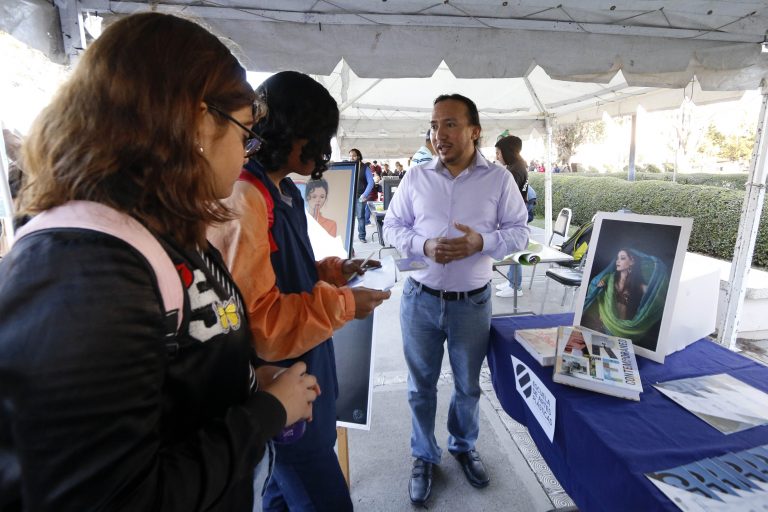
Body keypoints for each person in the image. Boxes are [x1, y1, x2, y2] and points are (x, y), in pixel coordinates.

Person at [0, 13, 319, 511]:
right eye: (244, 133)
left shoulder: (160, 229)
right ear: (195, 120)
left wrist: (251, 384)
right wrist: (265, 414)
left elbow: (182, 375)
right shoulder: (89, 271)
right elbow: (109, 497)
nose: (247, 151)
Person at [208, 71, 391, 512]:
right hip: (279, 380)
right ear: (291, 132)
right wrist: (346, 303)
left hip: (307, 365)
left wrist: (334, 270)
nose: (324, 150)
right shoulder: (245, 198)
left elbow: (284, 272)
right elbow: (261, 321)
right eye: (319, 136)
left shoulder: (283, 189)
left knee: (281, 490)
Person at [383, 93, 528, 506]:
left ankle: (462, 446)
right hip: (420, 300)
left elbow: (520, 232)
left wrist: (482, 242)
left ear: (474, 131)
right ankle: (423, 455)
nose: (438, 134)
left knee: (467, 386)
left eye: (449, 124)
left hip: (472, 302)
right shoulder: (415, 177)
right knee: (420, 387)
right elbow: (392, 227)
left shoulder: (498, 179)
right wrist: (423, 245)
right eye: (434, 125)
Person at [581, 247, 669, 349]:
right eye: (617, 258)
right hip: (601, 326)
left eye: (622, 258)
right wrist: (599, 283)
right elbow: (595, 287)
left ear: (632, 261)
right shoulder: (609, 278)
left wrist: (659, 274)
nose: (618, 261)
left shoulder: (638, 286)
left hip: (621, 332)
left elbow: (656, 296)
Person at [494, 135, 531, 298]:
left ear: (507, 152)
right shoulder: (518, 165)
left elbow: (509, 196)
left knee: (516, 248)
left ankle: (515, 285)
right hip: (520, 210)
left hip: (517, 213)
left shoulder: (515, 170)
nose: (497, 156)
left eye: (498, 152)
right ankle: (512, 281)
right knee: (514, 248)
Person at [349, 148, 374, 242]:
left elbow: (371, 183)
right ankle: (348, 237)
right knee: (349, 217)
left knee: (360, 216)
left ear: (358, 156)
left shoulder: (365, 168)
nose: (352, 158)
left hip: (360, 196)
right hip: (349, 196)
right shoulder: (348, 166)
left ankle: (362, 236)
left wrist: (364, 195)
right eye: (350, 156)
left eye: (354, 155)